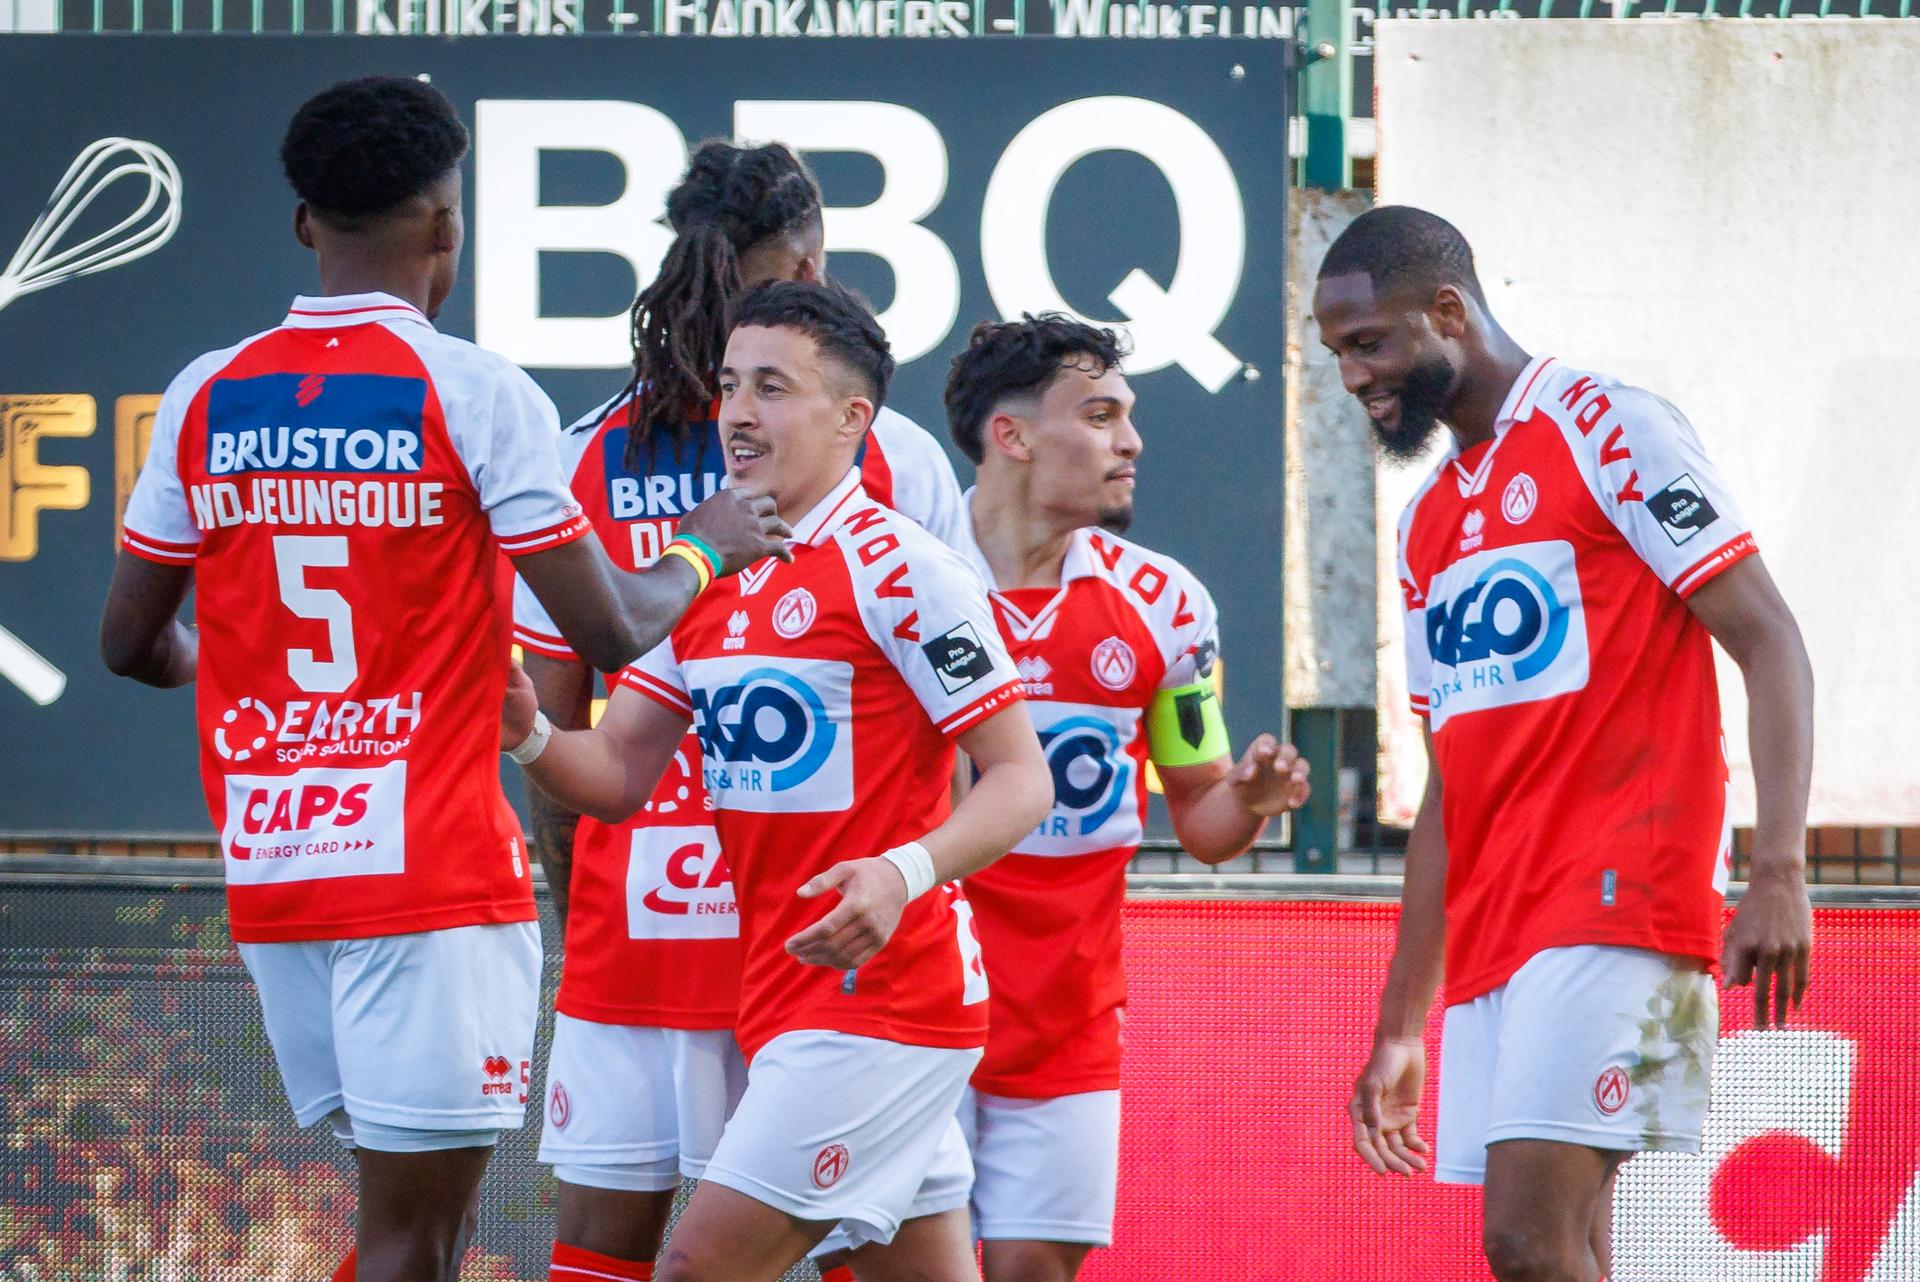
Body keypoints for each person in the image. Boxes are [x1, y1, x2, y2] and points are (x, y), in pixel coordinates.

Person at [97, 76, 786, 1282]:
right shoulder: (470, 389)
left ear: (304, 223)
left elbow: (129, 644)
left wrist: (249, 685)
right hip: (429, 880)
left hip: (278, 872)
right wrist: (704, 545)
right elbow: (616, 629)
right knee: (417, 1241)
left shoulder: (207, 391)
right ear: (446, 228)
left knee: (406, 1232)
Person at [504, 278, 1053, 1282]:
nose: (738, 414)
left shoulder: (906, 570)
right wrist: (528, 729)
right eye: (728, 386)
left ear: (852, 419)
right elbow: (618, 774)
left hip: (881, 1004)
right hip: (786, 995)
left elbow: (1021, 779)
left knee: (694, 1270)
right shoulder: (708, 571)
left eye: (772, 387)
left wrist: (899, 872)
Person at [1315, 206, 1814, 1282]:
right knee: (1571, 1245)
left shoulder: (1609, 426)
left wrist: (1779, 869)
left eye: (1368, 343)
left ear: (1449, 311)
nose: (1353, 377)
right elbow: (1448, 790)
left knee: (1526, 1240)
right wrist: (1400, 1025)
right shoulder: (1425, 522)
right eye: (1337, 354)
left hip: (1623, 897)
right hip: (1501, 930)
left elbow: (1770, 638)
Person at [923, 313, 1312, 1281]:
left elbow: (1204, 819)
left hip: (1069, 1021)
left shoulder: (1167, 604)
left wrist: (1252, 798)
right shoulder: (903, 579)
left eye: (1127, 416)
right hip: (913, 1008)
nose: (1131, 442)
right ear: (1011, 435)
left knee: (1032, 1272)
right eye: (1099, 416)